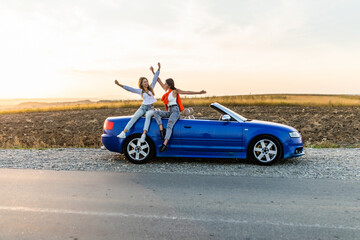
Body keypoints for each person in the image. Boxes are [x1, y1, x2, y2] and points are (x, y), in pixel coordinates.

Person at [151, 71, 206, 152]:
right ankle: (162, 130)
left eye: (165, 84)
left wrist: (199, 92)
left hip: (175, 111)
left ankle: (164, 144)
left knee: (170, 125)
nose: (164, 85)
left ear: (169, 84)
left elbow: (187, 92)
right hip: (169, 111)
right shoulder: (166, 90)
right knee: (155, 113)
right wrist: (153, 72)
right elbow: (158, 80)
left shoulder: (174, 91)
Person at [114, 62, 161, 143]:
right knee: (134, 118)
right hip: (143, 107)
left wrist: (158, 68)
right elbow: (130, 89)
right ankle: (123, 133)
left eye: (146, 81)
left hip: (150, 108)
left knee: (148, 117)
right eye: (144, 82)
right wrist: (119, 84)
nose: (146, 83)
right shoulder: (140, 91)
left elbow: (155, 78)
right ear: (141, 84)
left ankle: (144, 135)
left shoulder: (151, 88)